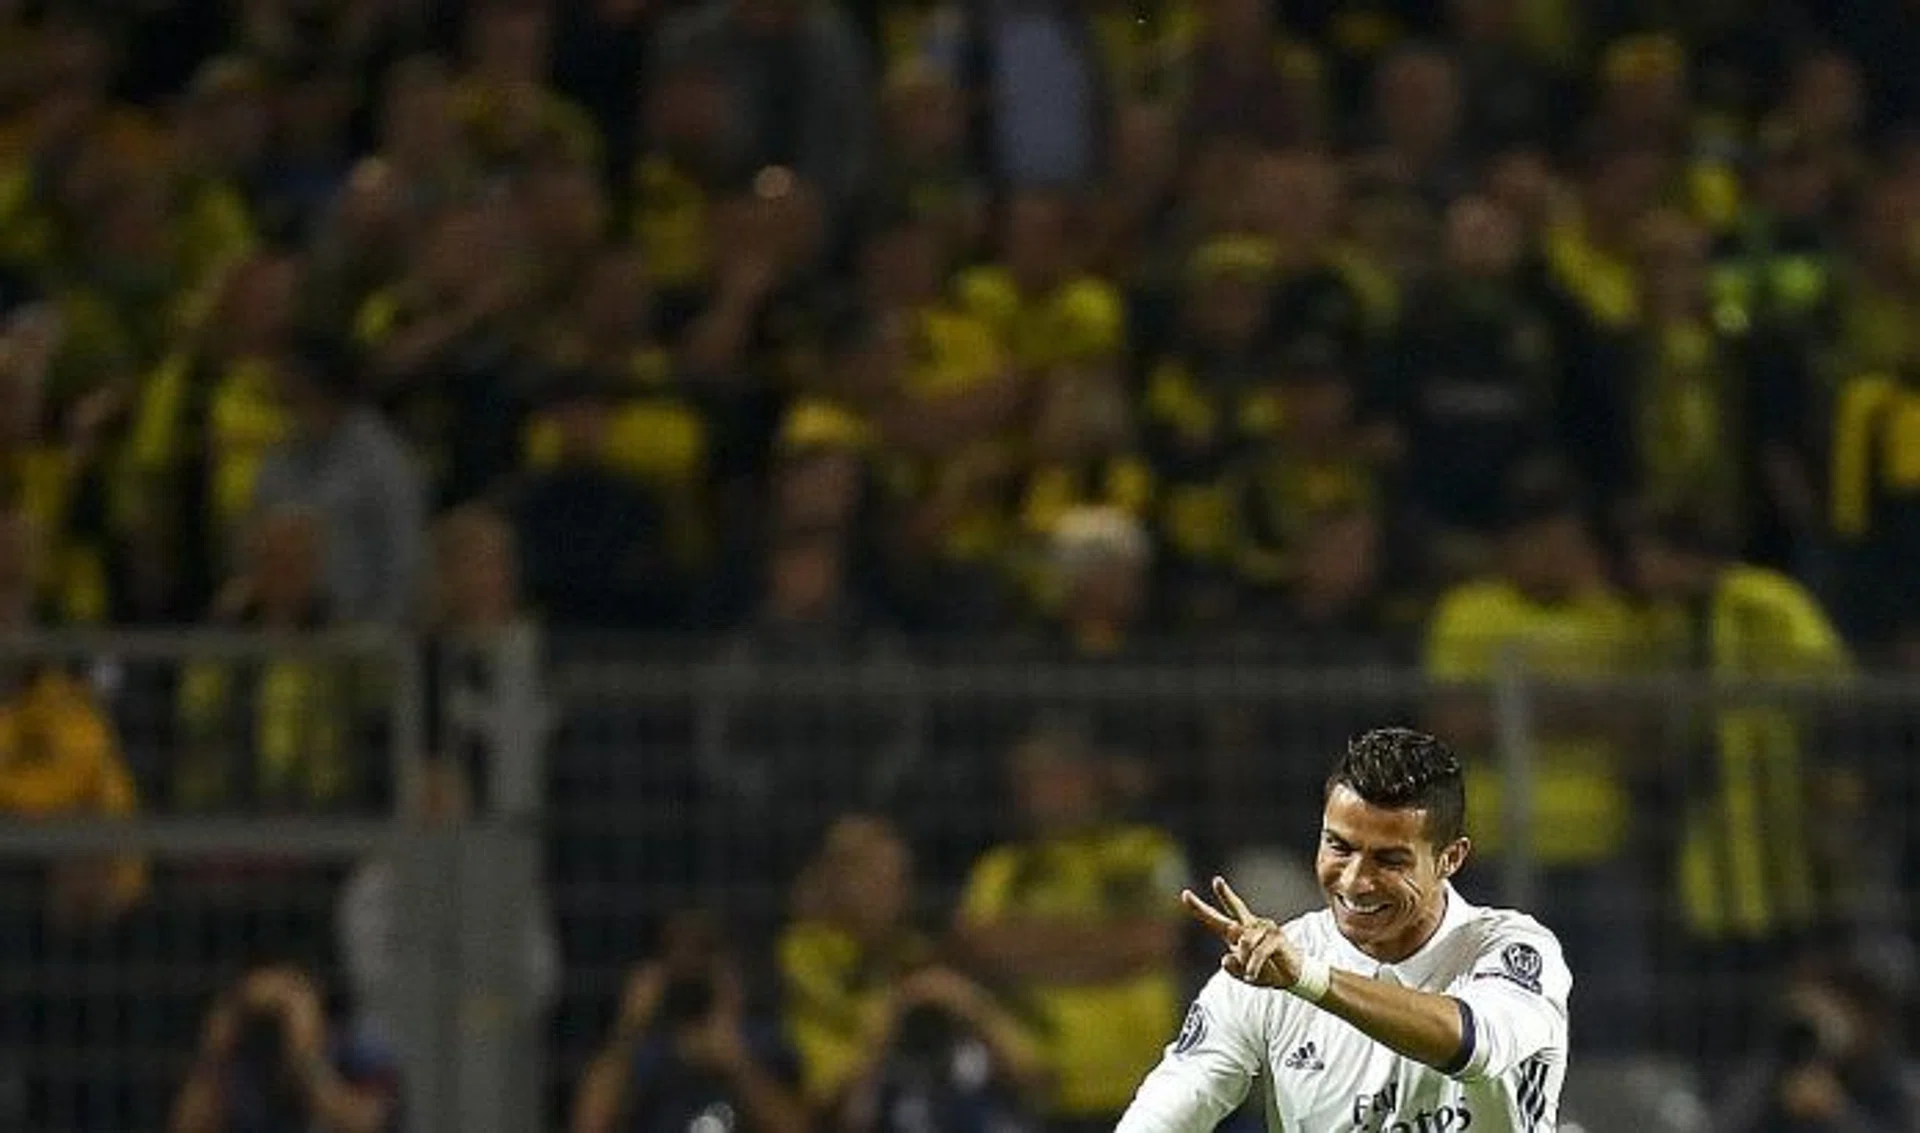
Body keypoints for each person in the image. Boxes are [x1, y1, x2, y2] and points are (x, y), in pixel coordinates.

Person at [1114, 727, 1569, 1133]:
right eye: (1339, 846)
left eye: (1389, 860)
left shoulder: (1511, 950)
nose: (1354, 880)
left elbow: (1476, 1048)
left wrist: (1308, 981)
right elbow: (1166, 1111)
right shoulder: (1271, 966)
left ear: (1450, 858)